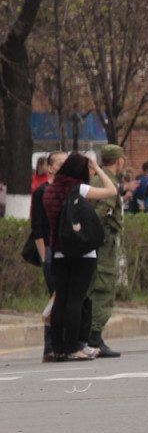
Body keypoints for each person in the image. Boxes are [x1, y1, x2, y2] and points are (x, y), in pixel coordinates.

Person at [43, 152, 119, 361]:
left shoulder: (49, 190)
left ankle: (57, 348)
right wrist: (97, 166)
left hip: (59, 251)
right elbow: (112, 190)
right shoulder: (78, 188)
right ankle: (73, 347)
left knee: (61, 300)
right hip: (82, 252)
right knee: (76, 300)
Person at [82, 144, 127, 358]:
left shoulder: (96, 179)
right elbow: (103, 213)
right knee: (103, 285)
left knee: (92, 285)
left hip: (94, 241)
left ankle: (89, 335)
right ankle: (95, 336)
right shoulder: (108, 181)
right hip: (104, 241)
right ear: (119, 161)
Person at [31, 151, 67, 361]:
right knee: (56, 298)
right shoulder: (41, 192)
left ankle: (65, 344)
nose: (64, 167)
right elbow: (37, 227)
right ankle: (50, 347)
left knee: (66, 299)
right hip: (51, 251)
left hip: (68, 251)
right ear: (50, 167)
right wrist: (45, 255)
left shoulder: (70, 191)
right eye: (60, 164)